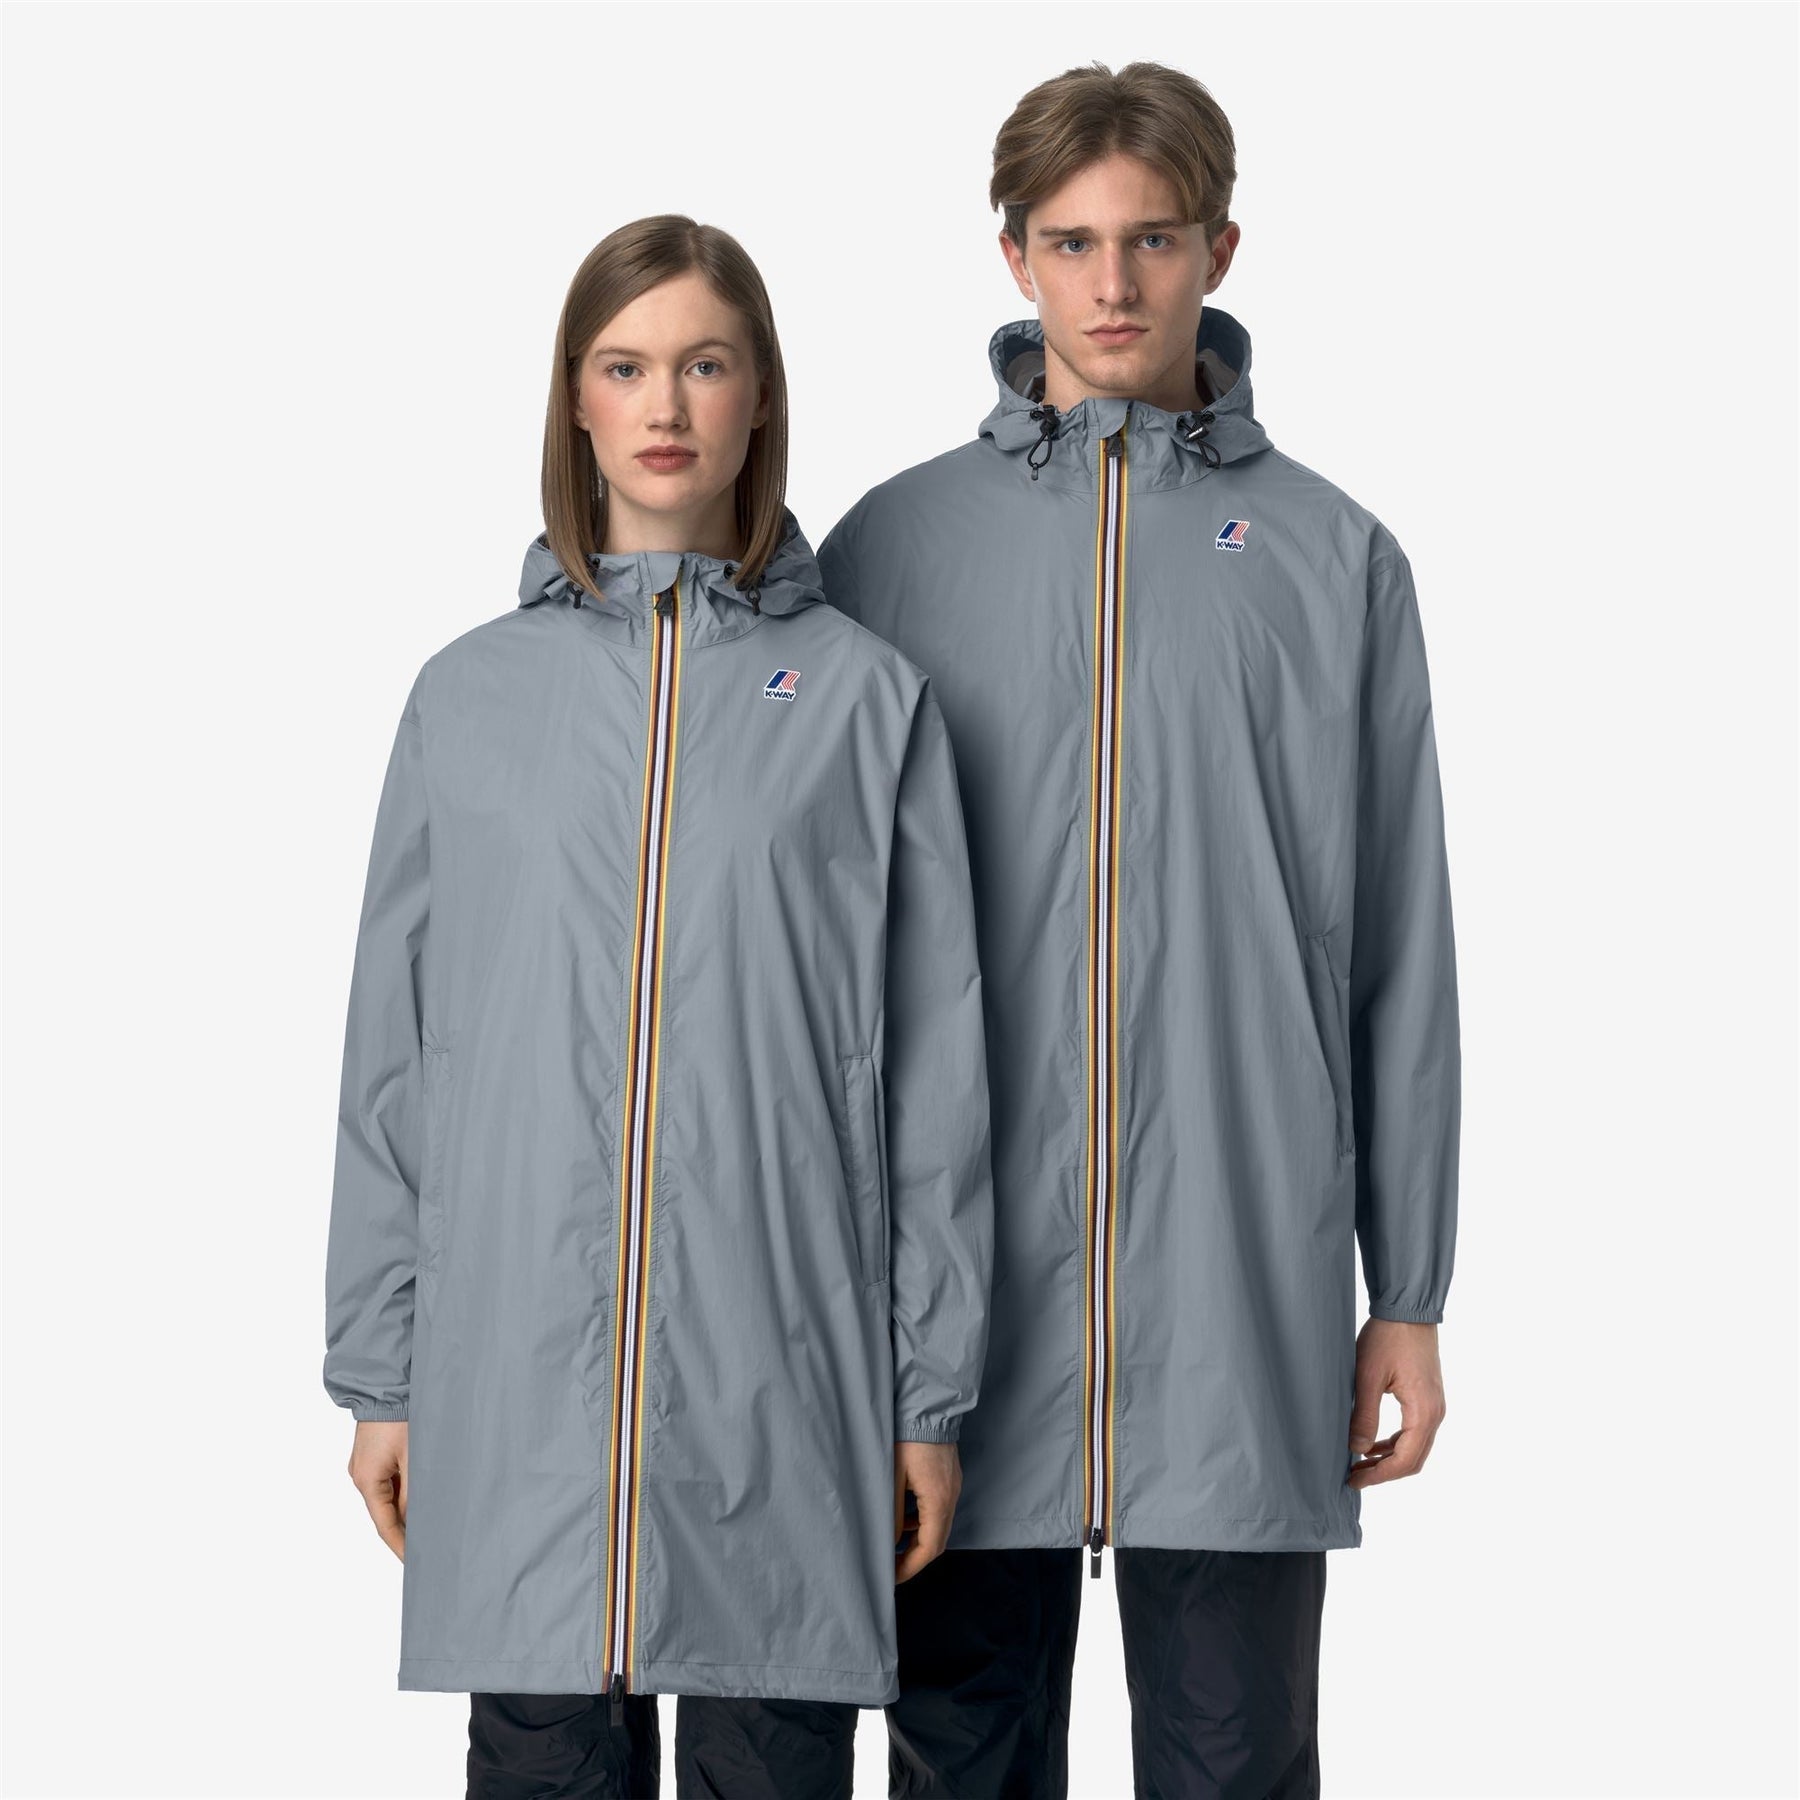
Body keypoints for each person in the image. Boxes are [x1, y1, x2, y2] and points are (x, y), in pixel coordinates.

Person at [816, 62, 1463, 1798]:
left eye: (1155, 241)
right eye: (1075, 243)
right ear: (1014, 256)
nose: (1114, 285)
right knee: (959, 1764)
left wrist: (1405, 1292)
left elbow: (1401, 947)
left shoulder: (1333, 560)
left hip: (1236, 1296)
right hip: (957, 1328)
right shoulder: (887, 552)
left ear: (1219, 250)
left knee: (1236, 1769)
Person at [321, 213, 995, 1799]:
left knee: (772, 1757)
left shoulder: (864, 698)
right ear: (576, 398)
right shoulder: (467, 695)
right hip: (517, 1376)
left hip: (782, 1373)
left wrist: (928, 1393)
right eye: (627, 367)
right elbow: (397, 1060)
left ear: (760, 395)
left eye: (705, 364)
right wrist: (383, 1376)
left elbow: (935, 1077)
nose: (667, 405)